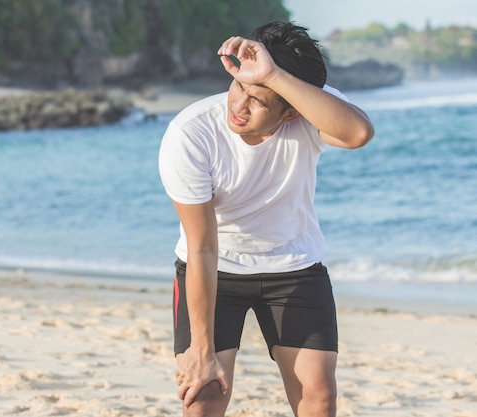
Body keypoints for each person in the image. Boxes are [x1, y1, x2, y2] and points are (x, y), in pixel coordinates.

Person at [158, 21, 375, 417]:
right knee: (203, 396)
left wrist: (272, 74)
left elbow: (358, 132)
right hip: (213, 268)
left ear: (292, 111)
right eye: (239, 87)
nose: (239, 106)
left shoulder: (308, 113)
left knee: (319, 396)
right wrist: (202, 351)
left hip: (293, 266)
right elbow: (203, 247)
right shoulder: (191, 133)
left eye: (258, 100)